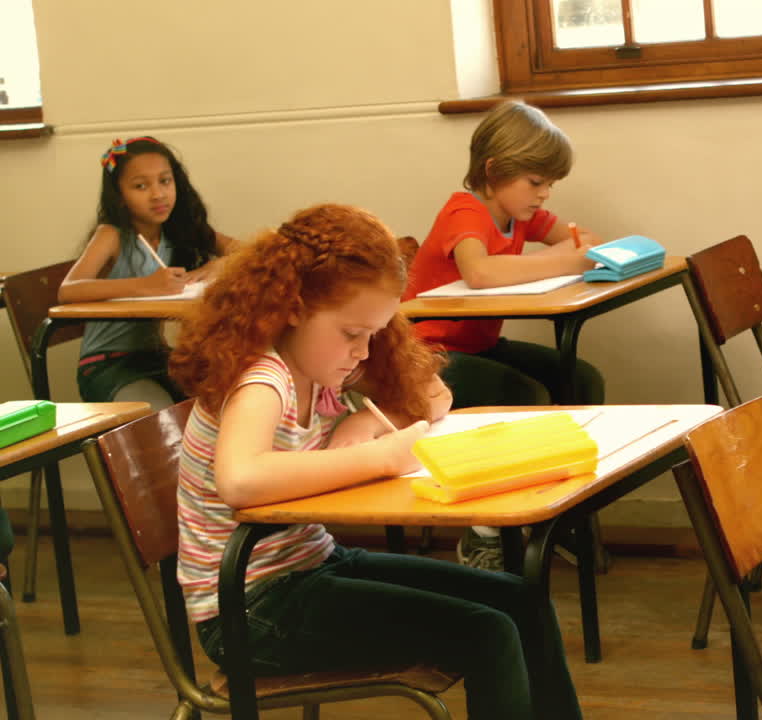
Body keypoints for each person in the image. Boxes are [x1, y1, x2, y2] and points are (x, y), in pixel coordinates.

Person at [168, 204, 582, 720]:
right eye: (351, 333)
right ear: (293, 307)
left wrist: (363, 421)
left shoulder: (321, 362)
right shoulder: (263, 378)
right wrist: (378, 457)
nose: (363, 352)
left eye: (372, 333)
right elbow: (240, 479)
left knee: (522, 601)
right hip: (248, 609)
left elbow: (434, 394)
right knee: (488, 632)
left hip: (310, 566)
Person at [403, 100, 606, 569]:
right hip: (425, 353)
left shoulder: (521, 215)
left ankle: (563, 517)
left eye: (550, 183)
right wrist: (572, 260)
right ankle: (486, 531)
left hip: (477, 345)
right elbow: (479, 271)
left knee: (581, 379)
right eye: (536, 182)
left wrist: (587, 248)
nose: (545, 194)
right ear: (493, 171)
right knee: (522, 395)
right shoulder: (465, 211)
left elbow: (575, 240)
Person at [59, 136, 237, 406]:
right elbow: (68, 290)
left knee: (225, 397)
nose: (158, 194)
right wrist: (148, 285)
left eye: (165, 181)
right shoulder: (112, 234)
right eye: (141, 186)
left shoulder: (178, 230)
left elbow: (250, 251)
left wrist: (218, 264)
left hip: (159, 359)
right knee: (160, 419)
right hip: (108, 364)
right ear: (119, 196)